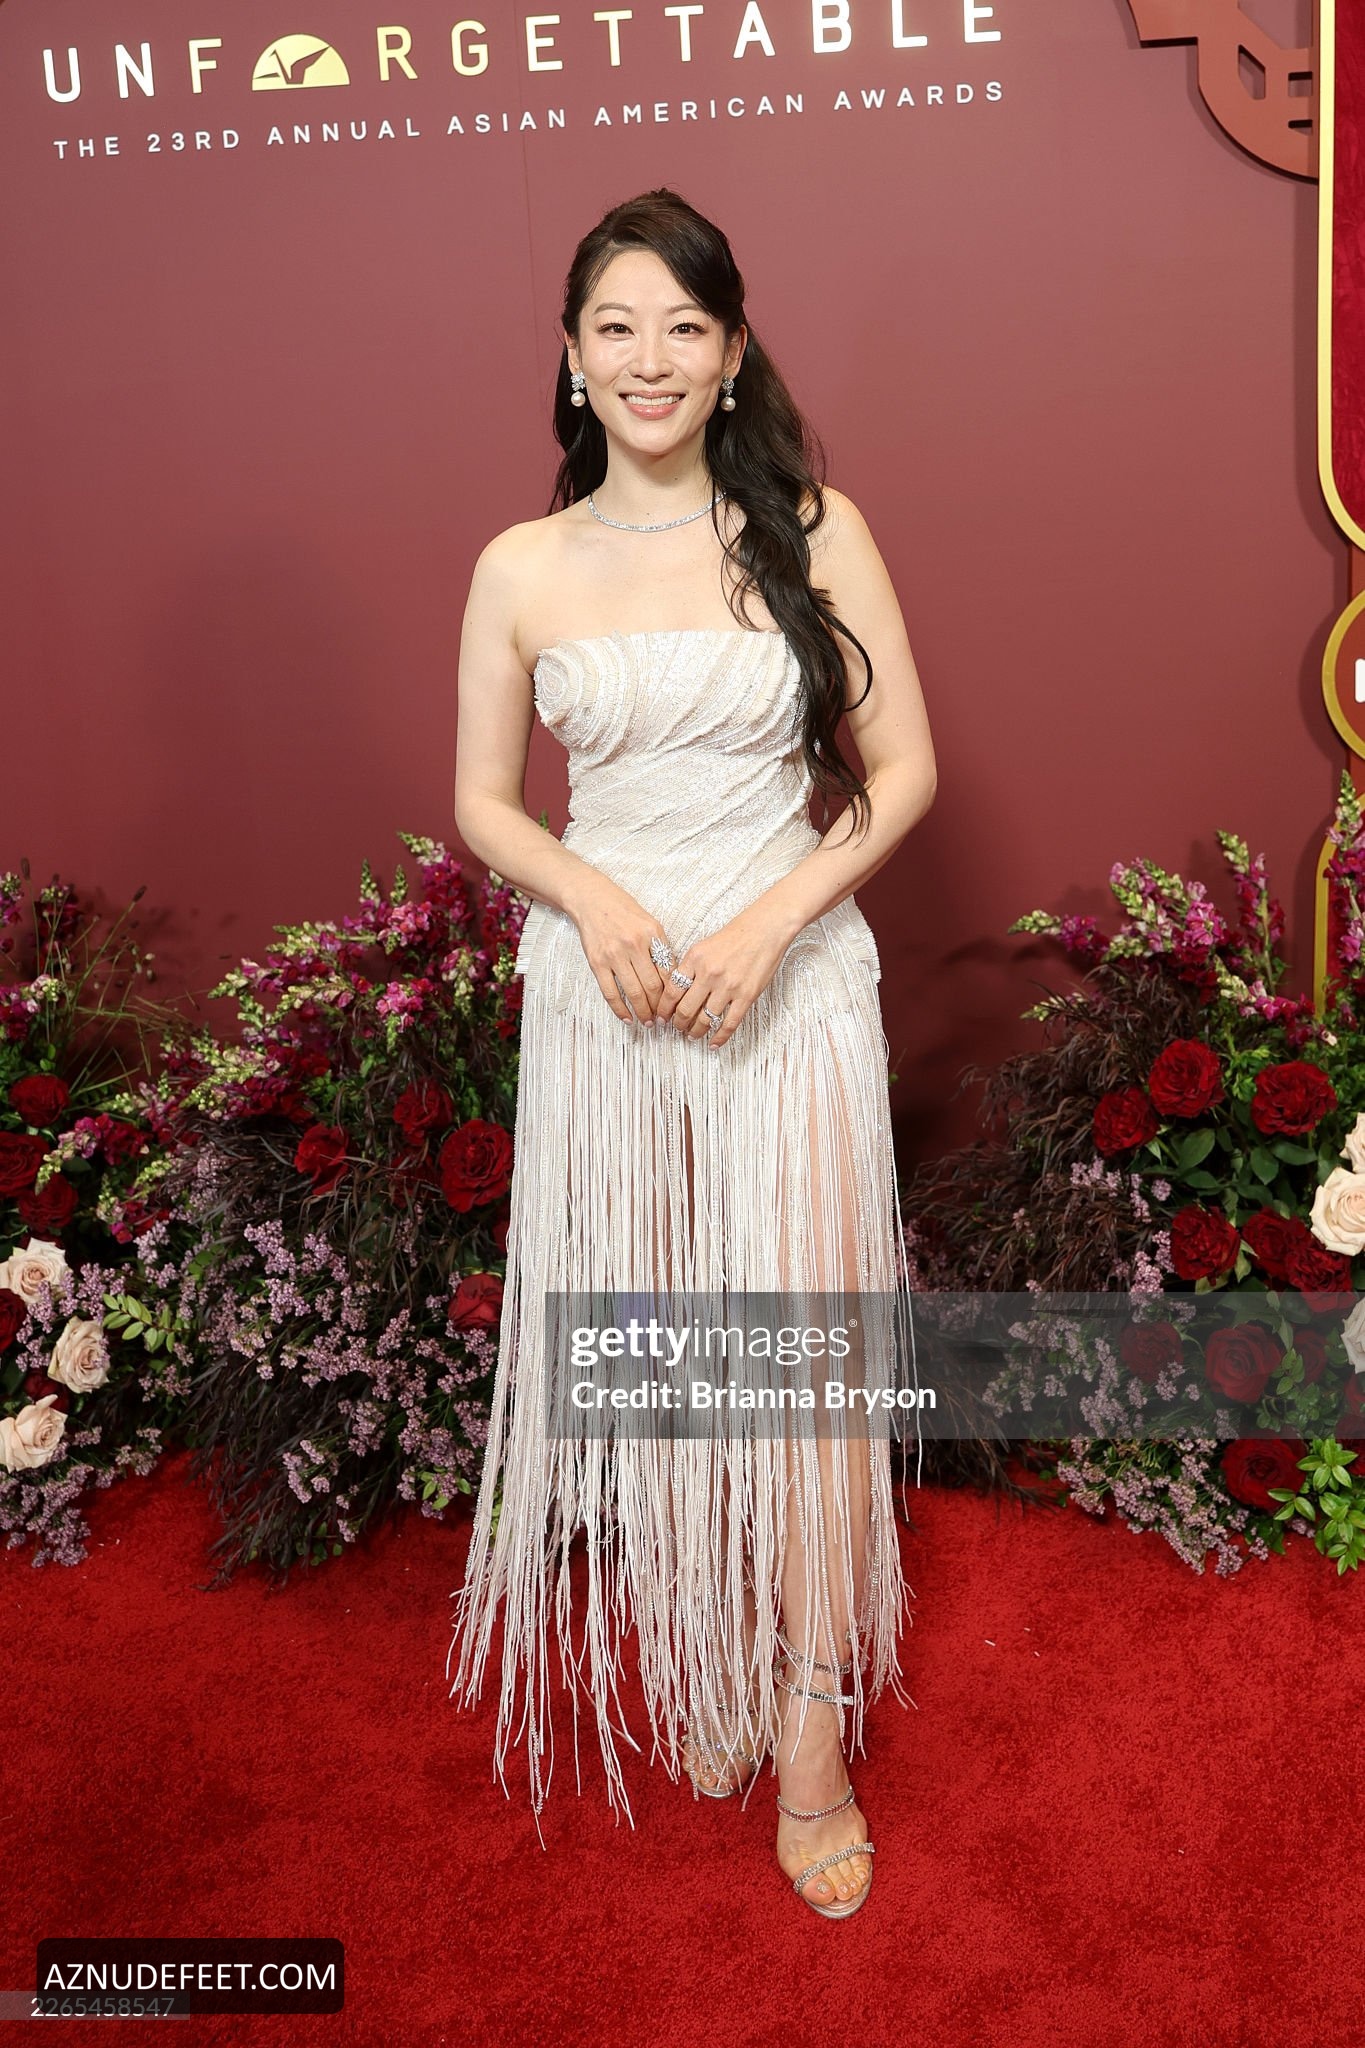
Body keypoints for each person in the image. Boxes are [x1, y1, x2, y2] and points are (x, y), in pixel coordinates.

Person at [446, 186, 937, 1919]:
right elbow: (485, 804)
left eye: (683, 328)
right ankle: (712, 1638)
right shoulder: (519, 566)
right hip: (608, 1006)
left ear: (730, 355)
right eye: (615, 328)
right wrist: (592, 899)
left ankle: (811, 1716)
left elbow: (903, 775)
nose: (648, 359)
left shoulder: (812, 527)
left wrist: (768, 925)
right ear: (571, 359)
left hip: (786, 996)